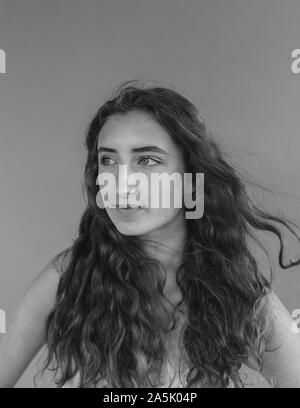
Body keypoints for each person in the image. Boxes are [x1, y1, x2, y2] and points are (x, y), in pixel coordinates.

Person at [1, 80, 300, 388]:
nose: (122, 181)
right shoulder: (68, 277)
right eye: (108, 160)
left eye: (146, 160)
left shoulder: (239, 294)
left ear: (190, 176)